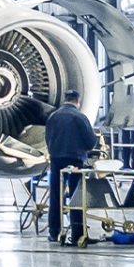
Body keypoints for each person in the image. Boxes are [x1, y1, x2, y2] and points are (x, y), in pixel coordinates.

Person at [45, 88, 99, 243]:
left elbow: (47, 139)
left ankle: (54, 232)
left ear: (65, 99)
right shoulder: (80, 117)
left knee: (55, 196)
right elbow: (91, 141)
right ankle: (78, 233)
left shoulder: (53, 116)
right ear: (78, 101)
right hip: (75, 161)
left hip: (56, 161)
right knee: (76, 197)